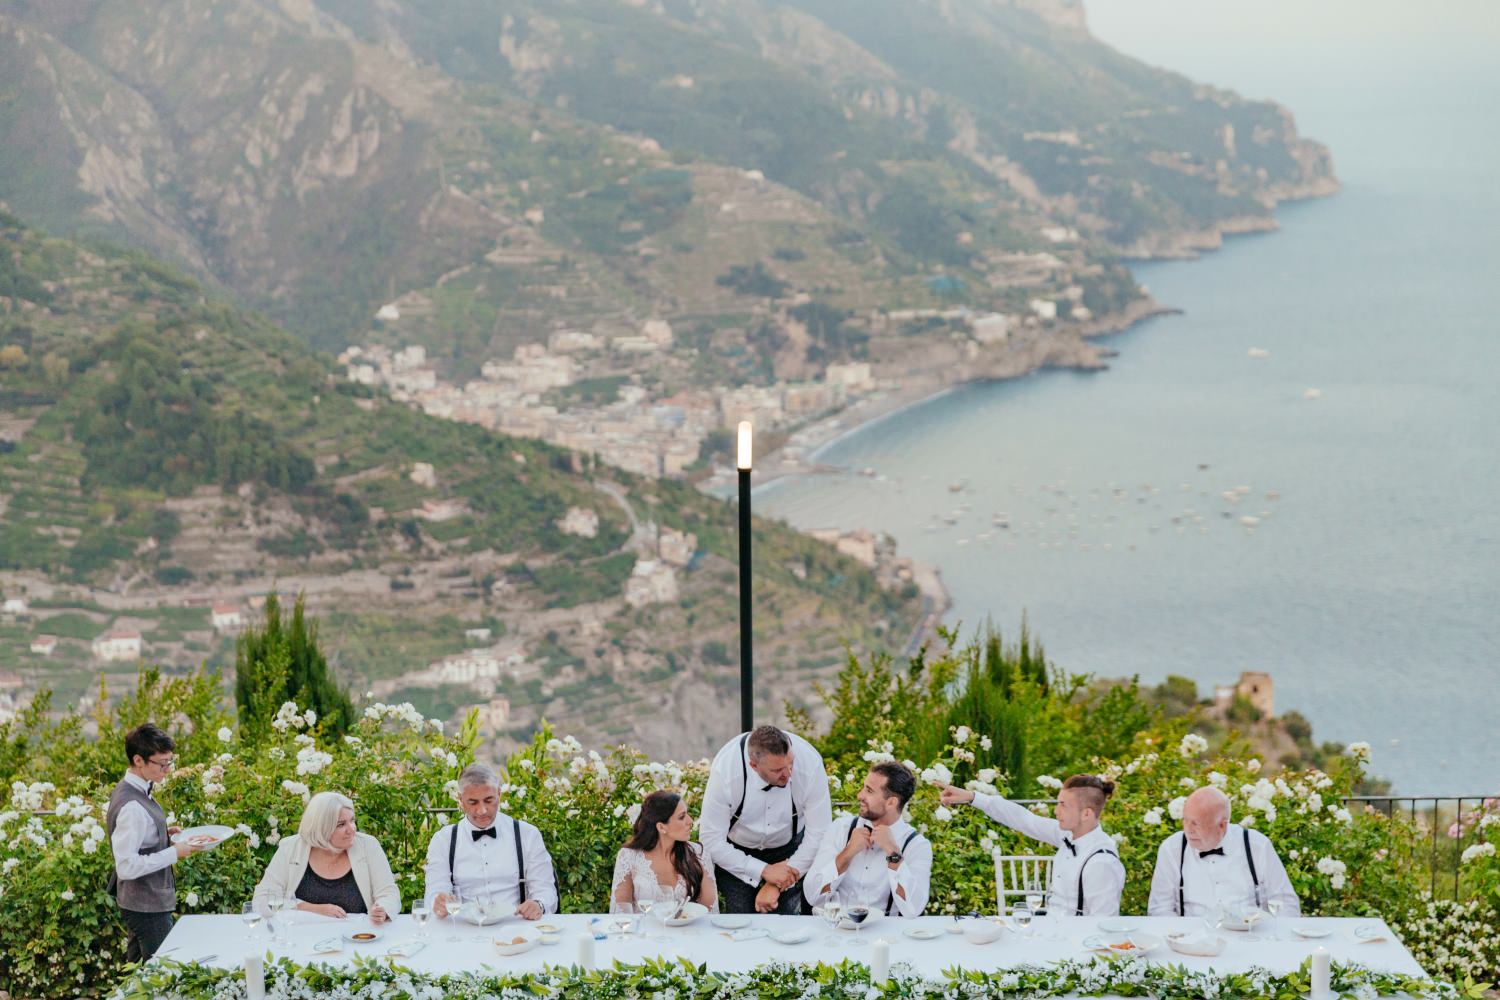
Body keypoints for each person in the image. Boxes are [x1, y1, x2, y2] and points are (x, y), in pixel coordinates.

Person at [940, 773, 1125, 916]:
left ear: (1086, 814)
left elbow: (1103, 925)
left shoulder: (1101, 863)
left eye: (1063, 805)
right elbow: (1024, 819)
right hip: (1050, 932)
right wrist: (972, 797)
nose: (1056, 810)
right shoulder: (1067, 834)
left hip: (1073, 950)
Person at [699, 725, 833, 914]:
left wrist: (778, 882)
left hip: (791, 851)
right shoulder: (727, 770)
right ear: (753, 765)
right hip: (736, 851)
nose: (788, 773)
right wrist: (764, 871)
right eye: (778, 769)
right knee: (739, 922)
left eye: (791, 764)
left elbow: (820, 833)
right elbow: (711, 840)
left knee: (789, 924)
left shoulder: (810, 763)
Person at [105, 723, 208, 961]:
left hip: (141, 901)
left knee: (136, 971)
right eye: (162, 764)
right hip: (146, 905)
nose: (168, 770)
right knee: (163, 971)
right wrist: (174, 852)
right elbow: (126, 866)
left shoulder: (134, 789)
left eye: (170, 762)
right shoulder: (131, 806)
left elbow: (139, 838)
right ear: (138, 760)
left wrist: (164, 834)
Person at [423, 763, 558, 920]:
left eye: (488, 800)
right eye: (473, 802)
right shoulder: (443, 840)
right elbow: (434, 891)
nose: (482, 810)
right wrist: (437, 902)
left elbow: (546, 891)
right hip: (464, 930)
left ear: (499, 795)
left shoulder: (527, 835)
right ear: (460, 800)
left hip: (515, 928)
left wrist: (539, 904)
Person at [1147, 786, 1300, 918]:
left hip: (1250, 937)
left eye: (1196, 823)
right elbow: (1159, 908)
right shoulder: (1172, 849)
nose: (1188, 830)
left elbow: (1285, 903)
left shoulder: (1256, 845)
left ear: (1222, 826)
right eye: (1185, 820)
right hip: (1191, 941)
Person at [805, 761, 931, 916]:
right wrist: (848, 852)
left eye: (869, 791)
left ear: (891, 802)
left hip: (888, 937)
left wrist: (893, 853)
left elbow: (913, 909)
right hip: (837, 931)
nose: (860, 795)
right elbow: (812, 895)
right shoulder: (842, 829)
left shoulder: (917, 846)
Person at [254, 791, 401, 921]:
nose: (352, 829)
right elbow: (263, 899)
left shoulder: (368, 846)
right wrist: (310, 908)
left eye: (352, 820)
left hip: (357, 938)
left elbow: (389, 894)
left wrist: (383, 909)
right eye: (341, 824)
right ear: (321, 828)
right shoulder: (291, 848)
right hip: (302, 939)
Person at [609, 790, 718, 912]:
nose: (690, 821)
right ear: (661, 827)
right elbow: (620, 912)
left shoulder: (699, 853)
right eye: (682, 817)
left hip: (688, 930)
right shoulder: (628, 857)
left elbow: (709, 911)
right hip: (643, 930)